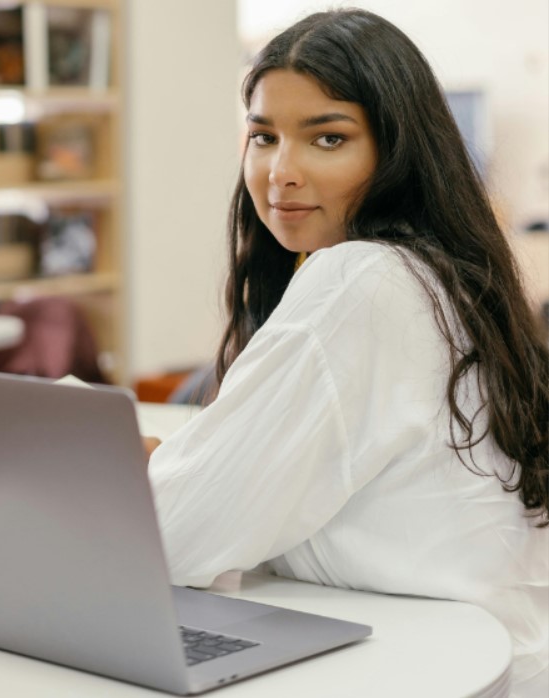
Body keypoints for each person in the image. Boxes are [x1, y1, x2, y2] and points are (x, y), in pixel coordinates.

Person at [144, 9, 549, 697]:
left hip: (440, 675)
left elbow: (170, 535)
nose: (281, 172)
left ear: (397, 152)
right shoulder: (441, 273)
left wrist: (157, 481)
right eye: (263, 136)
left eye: (327, 138)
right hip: (473, 657)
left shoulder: (361, 281)